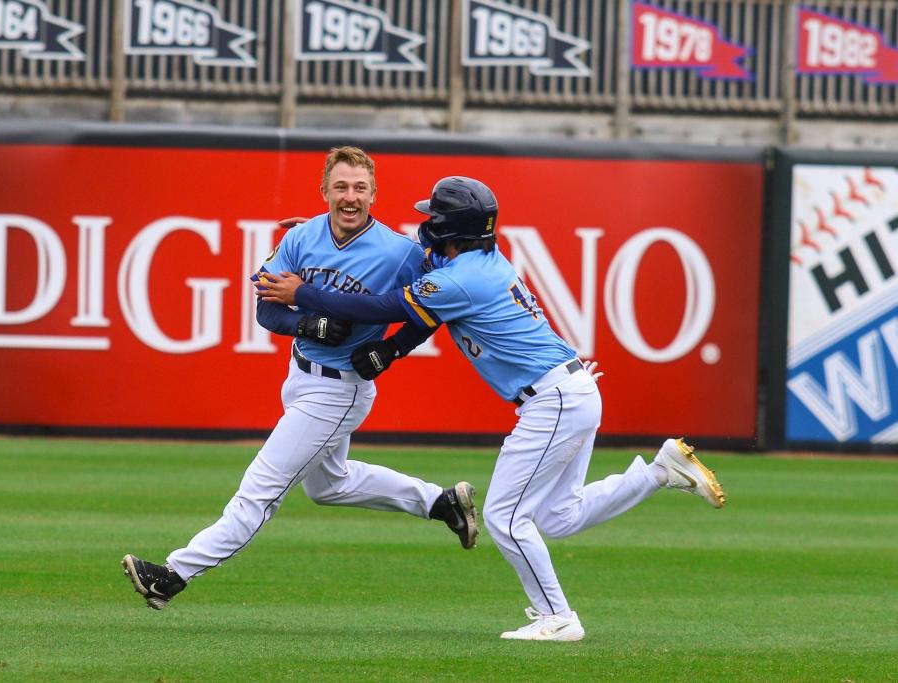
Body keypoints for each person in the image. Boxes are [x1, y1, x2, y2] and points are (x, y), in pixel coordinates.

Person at [257, 176, 727, 641]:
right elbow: (415, 287)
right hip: (570, 389)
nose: (426, 224)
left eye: (432, 218)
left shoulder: (461, 278)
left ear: (446, 229)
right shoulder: (477, 261)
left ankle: (557, 618)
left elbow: (382, 308)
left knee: (505, 517)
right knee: (561, 516)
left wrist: (302, 292)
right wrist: (326, 242)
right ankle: (659, 473)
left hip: (553, 400)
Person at [122, 148, 478, 610]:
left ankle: (171, 575)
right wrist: (305, 324)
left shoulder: (400, 253)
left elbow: (437, 303)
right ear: (324, 192)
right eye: (341, 187)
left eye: (360, 188)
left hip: (340, 388)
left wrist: (392, 348)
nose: (350, 197)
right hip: (301, 374)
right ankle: (442, 503)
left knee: (259, 489)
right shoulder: (302, 237)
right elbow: (266, 307)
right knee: (329, 485)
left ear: (374, 194)